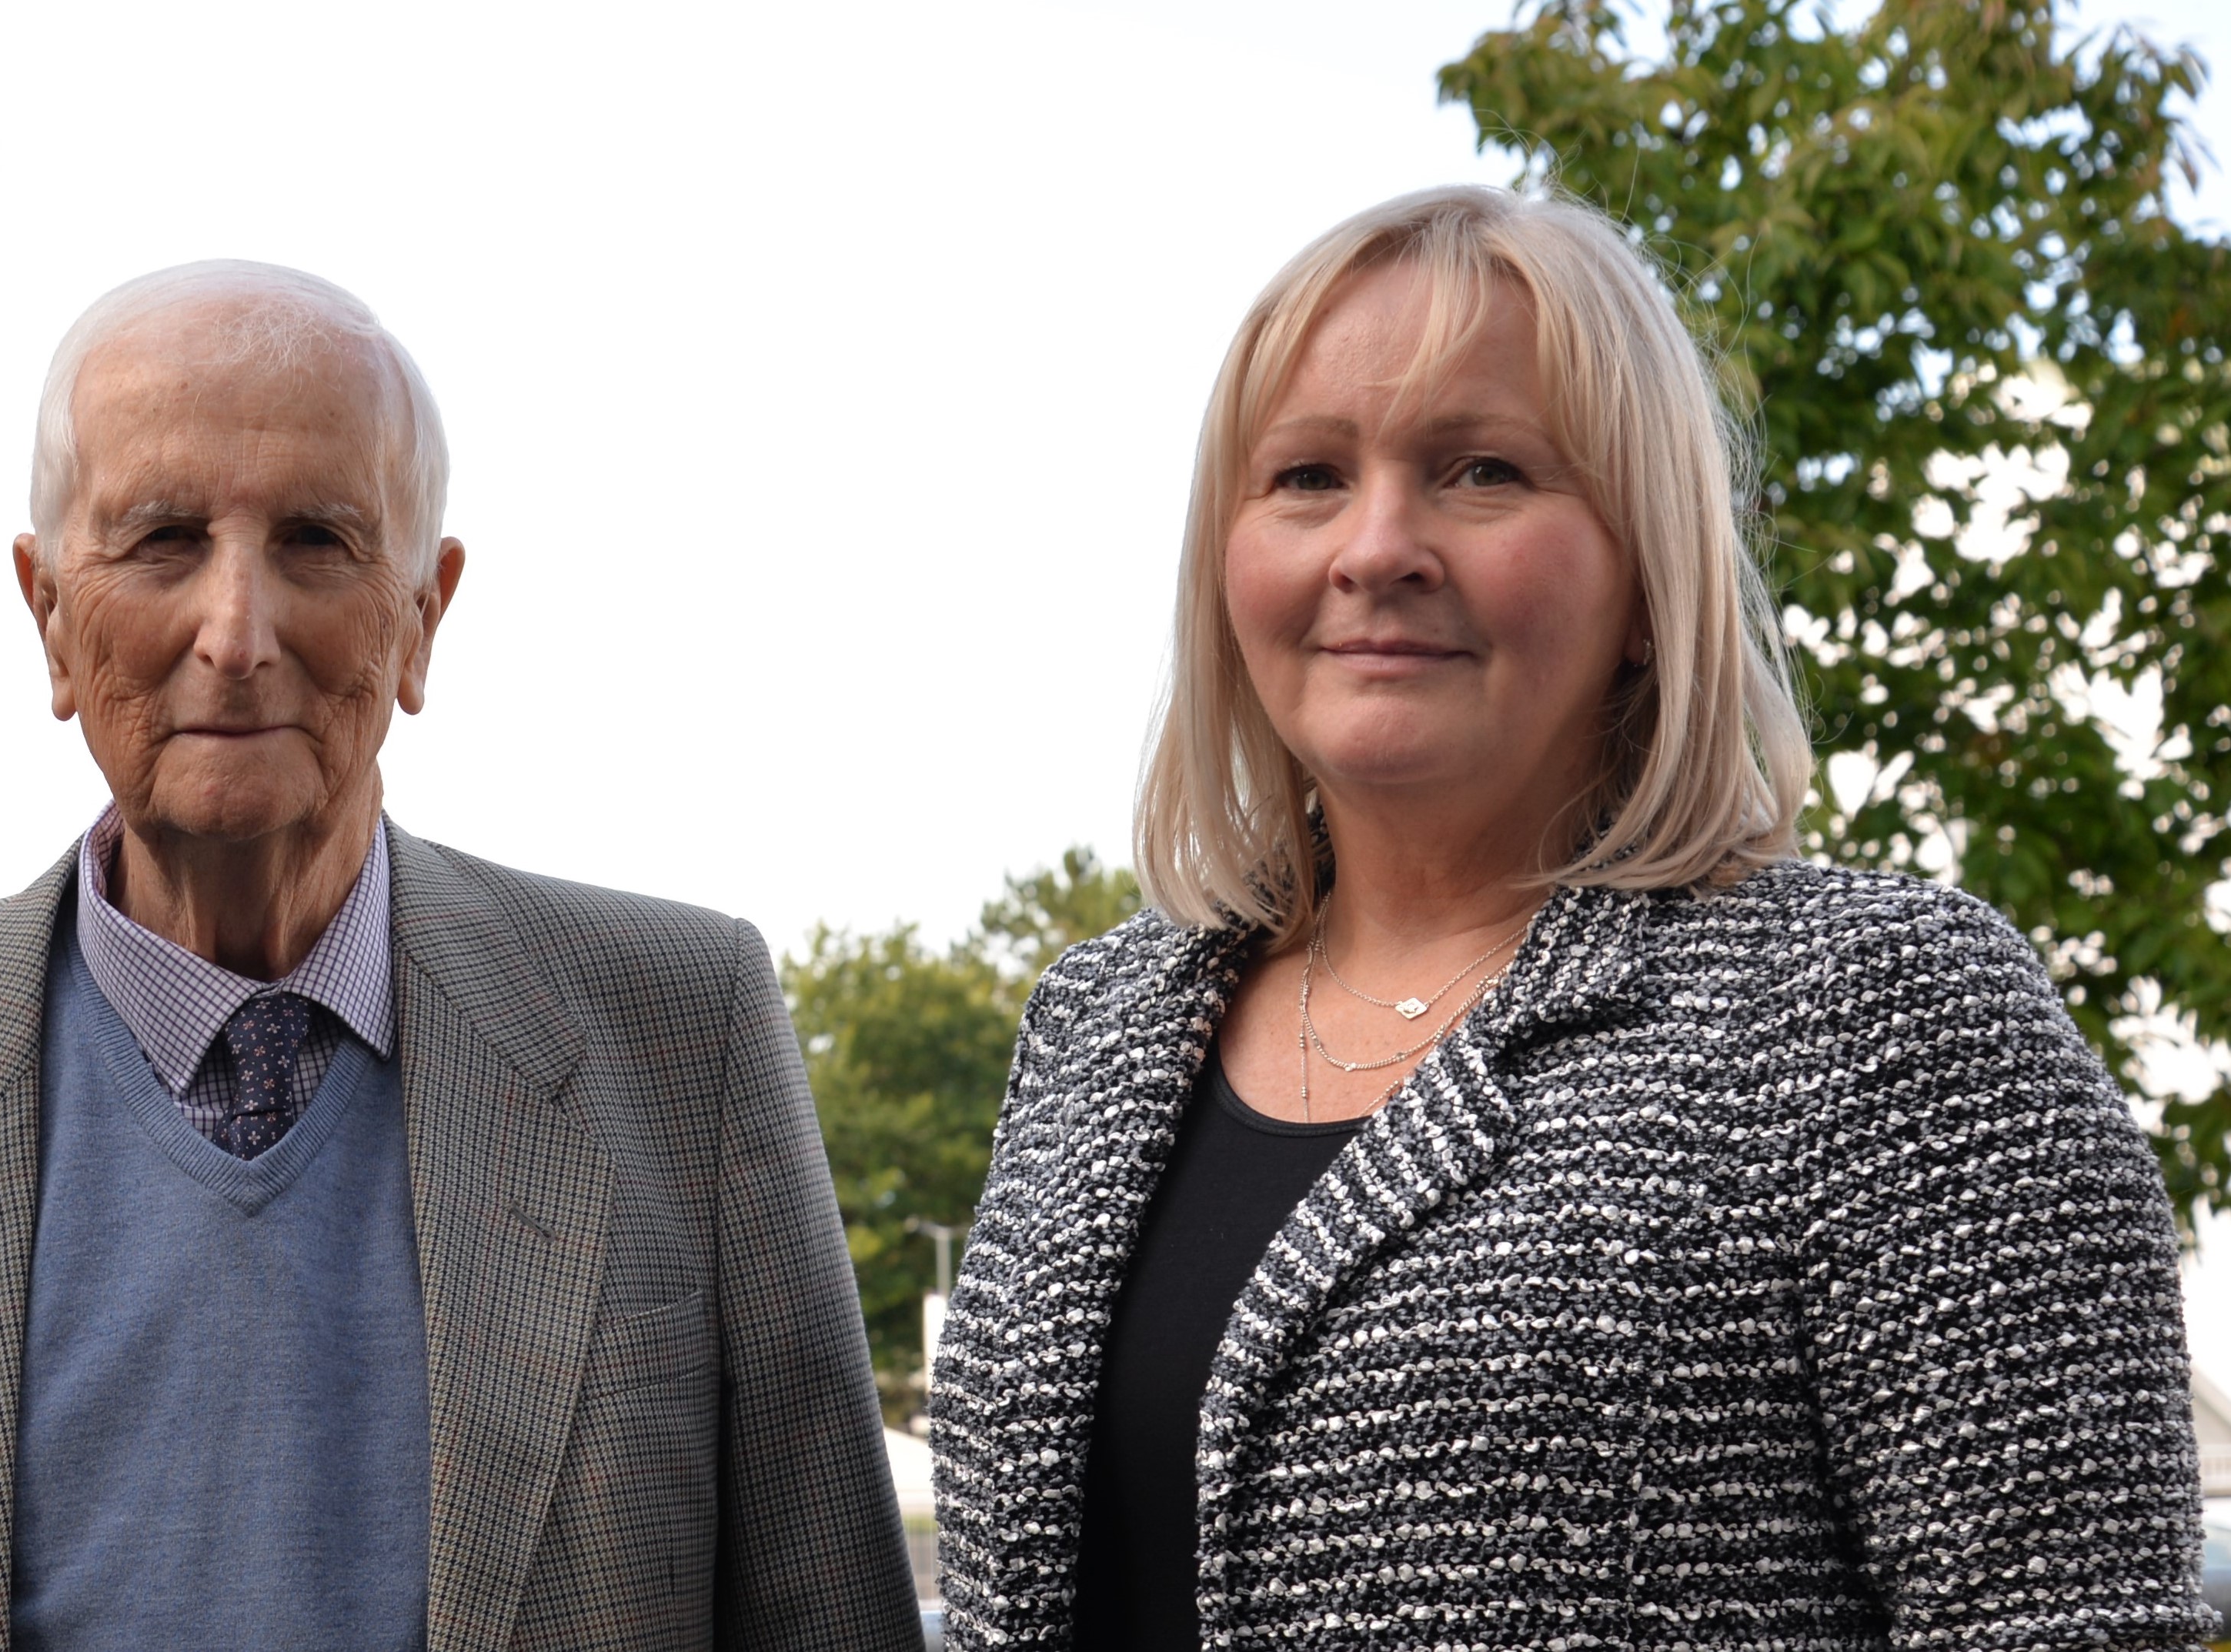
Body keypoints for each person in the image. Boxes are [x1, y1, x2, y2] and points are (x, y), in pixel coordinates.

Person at [927, 183, 2211, 1648]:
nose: (1375, 547)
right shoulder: (1097, 1023)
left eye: (1480, 470)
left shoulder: (1882, 1007)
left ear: (1648, 570)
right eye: (1303, 478)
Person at [0, 261, 921, 1650]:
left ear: (424, 613)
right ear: (48, 614)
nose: (235, 637)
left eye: (315, 540)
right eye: (163, 540)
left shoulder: (684, 1038)